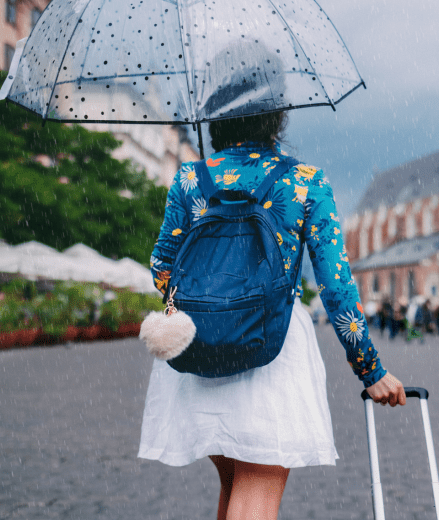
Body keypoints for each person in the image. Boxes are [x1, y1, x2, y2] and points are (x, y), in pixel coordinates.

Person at [139, 111, 406, 520]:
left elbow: (162, 266)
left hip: (199, 349)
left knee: (234, 489)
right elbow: (335, 287)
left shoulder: (191, 177)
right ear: (277, 118)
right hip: (271, 347)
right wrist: (369, 369)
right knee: (256, 493)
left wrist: (213, 303)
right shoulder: (304, 181)